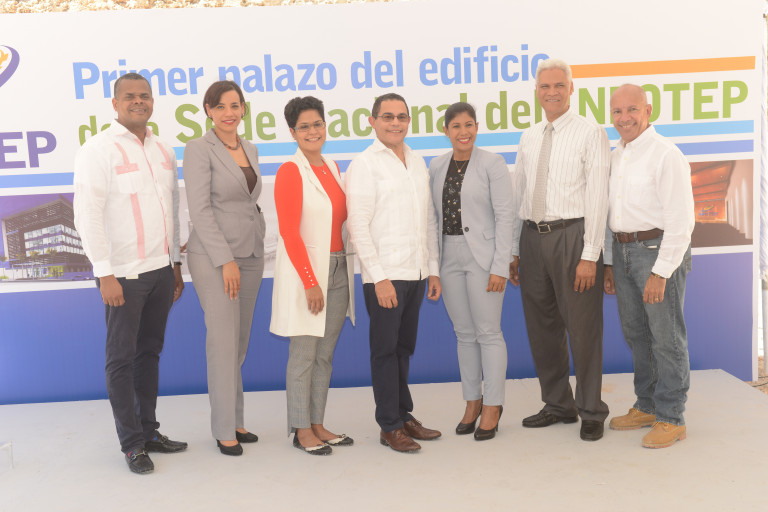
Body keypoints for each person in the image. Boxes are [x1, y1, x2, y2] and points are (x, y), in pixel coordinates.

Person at [73, 73, 187, 474]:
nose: (139, 102)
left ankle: (149, 431)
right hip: (122, 275)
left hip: (161, 271)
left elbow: (172, 210)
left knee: (149, 353)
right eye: (130, 96)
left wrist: (175, 264)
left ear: (152, 101)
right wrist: (104, 273)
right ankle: (132, 444)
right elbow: (87, 215)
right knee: (120, 359)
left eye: (145, 96)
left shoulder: (163, 150)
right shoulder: (97, 150)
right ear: (115, 103)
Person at [508, 58, 611, 441]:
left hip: (573, 238)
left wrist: (590, 254)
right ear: (536, 91)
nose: (551, 92)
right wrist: (514, 250)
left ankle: (591, 410)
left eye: (558, 85)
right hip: (531, 238)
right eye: (545, 86)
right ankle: (558, 404)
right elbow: (519, 193)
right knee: (542, 328)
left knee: (583, 329)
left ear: (571, 89)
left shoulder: (590, 133)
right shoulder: (529, 136)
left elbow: (598, 195)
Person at [346, 93, 442, 453]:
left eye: (401, 117)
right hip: (384, 277)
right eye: (387, 117)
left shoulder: (417, 162)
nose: (395, 123)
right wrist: (379, 277)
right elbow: (358, 225)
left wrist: (432, 269)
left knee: (403, 349)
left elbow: (427, 220)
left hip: (416, 274)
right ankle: (389, 426)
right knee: (385, 352)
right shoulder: (364, 165)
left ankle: (403, 416)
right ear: (373, 121)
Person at [603, 84, 694, 449]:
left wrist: (661, 270)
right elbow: (612, 213)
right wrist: (609, 262)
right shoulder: (616, 156)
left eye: (632, 109)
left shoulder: (666, 155)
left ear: (648, 111)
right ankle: (647, 405)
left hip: (656, 253)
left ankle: (672, 417)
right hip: (622, 251)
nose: (624, 118)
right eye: (617, 111)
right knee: (637, 334)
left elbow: (681, 220)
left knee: (666, 337)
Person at [183, 80, 266, 456]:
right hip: (214, 257)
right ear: (208, 111)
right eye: (220, 107)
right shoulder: (198, 149)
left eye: (235, 106)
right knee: (222, 341)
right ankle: (222, 429)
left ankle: (235, 419)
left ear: (244, 109)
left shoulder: (250, 147)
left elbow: (248, 201)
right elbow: (200, 210)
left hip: (251, 253)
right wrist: (225, 260)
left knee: (239, 342)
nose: (228, 113)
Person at [270, 96, 356, 455]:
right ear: (293, 132)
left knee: (324, 356)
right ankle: (301, 429)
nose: (312, 131)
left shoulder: (332, 166)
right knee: (304, 354)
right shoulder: (290, 171)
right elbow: (290, 232)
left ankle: (318, 423)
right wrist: (310, 281)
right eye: (303, 127)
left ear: (325, 125)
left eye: (317, 124)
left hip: (338, 268)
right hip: (309, 275)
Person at [428, 102, 514, 441]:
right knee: (464, 333)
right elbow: (432, 218)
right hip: (448, 256)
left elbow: (506, 217)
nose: (463, 132)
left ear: (476, 127)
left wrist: (500, 266)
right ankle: (472, 401)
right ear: (446, 130)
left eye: (469, 125)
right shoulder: (436, 165)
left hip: (484, 258)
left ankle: (492, 405)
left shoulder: (493, 164)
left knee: (488, 332)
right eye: (456, 126)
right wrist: (433, 267)